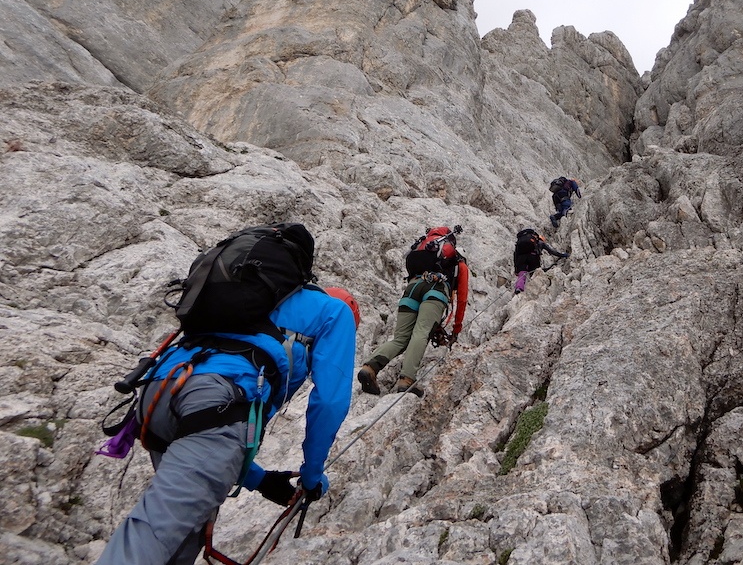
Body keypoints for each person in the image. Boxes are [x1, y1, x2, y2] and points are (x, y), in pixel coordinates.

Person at [96, 276, 358, 565]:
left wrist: (261, 480)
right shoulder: (336, 312)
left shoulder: (256, 300)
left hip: (156, 393)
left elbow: (215, 441)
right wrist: (311, 478)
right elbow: (330, 402)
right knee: (155, 530)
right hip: (212, 399)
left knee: (185, 529)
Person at [357, 225, 468, 398]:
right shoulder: (458, 261)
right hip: (435, 290)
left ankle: (369, 368)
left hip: (412, 288)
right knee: (421, 332)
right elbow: (462, 298)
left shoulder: (422, 248)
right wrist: (456, 329)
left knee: (401, 338)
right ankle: (407, 380)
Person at [513, 228, 568, 294]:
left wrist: (516, 269)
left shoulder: (520, 243)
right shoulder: (539, 242)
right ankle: (534, 289)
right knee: (535, 273)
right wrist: (562, 255)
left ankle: (519, 288)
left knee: (522, 273)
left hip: (521, 258)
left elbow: (515, 255)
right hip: (533, 257)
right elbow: (552, 251)